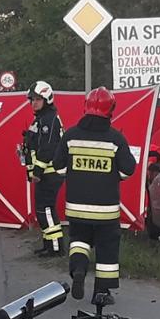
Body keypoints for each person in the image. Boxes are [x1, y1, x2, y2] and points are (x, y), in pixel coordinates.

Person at [55, 88, 137, 304]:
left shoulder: (71, 136)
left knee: (79, 241)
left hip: (77, 206)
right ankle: (101, 292)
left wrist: (75, 176)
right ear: (111, 110)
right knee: (106, 249)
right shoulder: (116, 139)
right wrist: (111, 177)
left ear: (86, 107)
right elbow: (128, 170)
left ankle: (79, 270)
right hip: (106, 209)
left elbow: (58, 167)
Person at [20, 81, 65, 256]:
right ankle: (49, 244)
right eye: (32, 100)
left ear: (47, 99)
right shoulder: (42, 118)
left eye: (38, 99)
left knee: (45, 209)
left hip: (49, 173)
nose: (34, 103)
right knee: (44, 209)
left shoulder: (49, 119)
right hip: (45, 173)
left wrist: (37, 171)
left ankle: (55, 247)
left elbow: (48, 148)